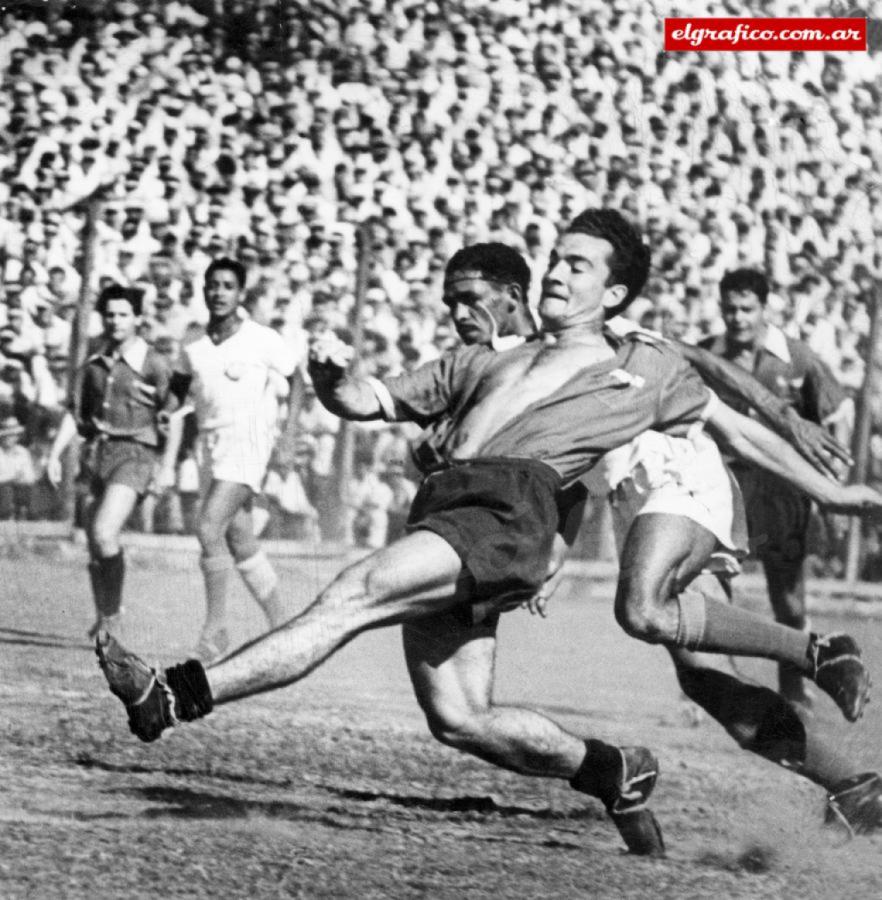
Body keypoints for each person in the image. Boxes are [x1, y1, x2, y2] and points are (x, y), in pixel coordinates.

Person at [96, 211, 879, 857]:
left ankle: (176, 694)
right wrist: (335, 381)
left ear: (609, 292)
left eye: (575, 264)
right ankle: (614, 770)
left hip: (569, 505)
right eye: (555, 260)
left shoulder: (636, 355)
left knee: (357, 593)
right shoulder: (483, 363)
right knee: (462, 717)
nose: (556, 273)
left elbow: (721, 400)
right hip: (471, 512)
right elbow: (371, 399)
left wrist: (818, 471)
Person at [425, 241, 882, 836]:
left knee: (641, 608)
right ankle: (852, 783)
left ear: (512, 298)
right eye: (450, 305)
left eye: (469, 301)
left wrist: (785, 417)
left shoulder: (610, 336)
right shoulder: (510, 374)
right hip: (634, 505)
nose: (459, 317)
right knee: (705, 681)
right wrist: (553, 555)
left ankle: (819, 651)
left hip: (678, 478)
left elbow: (710, 374)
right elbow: (565, 481)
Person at [700, 268, 853, 704]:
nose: (737, 318)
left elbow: (837, 416)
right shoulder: (710, 355)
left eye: (747, 308)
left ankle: (793, 686)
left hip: (783, 486)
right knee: (714, 586)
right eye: (729, 308)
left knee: (788, 598)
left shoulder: (797, 358)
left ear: (764, 308)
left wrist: (831, 485)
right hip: (727, 484)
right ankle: (716, 686)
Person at [157, 258, 298, 662]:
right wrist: (168, 410)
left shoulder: (261, 338)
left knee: (207, 526)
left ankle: (215, 629)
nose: (218, 292)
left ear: (239, 294)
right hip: (210, 446)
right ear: (204, 291)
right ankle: (284, 625)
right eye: (212, 285)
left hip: (250, 443)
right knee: (239, 539)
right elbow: (179, 388)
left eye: (227, 286)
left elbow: (296, 377)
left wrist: (288, 436)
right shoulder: (195, 346)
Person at [46, 284, 171, 636]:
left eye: (123, 314)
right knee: (93, 542)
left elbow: (176, 414)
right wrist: (55, 453)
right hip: (97, 455)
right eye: (110, 314)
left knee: (104, 532)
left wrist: (168, 463)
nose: (116, 321)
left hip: (135, 455)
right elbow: (76, 413)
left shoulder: (156, 363)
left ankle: (113, 617)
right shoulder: (94, 364)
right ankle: (104, 613)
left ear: (138, 319)